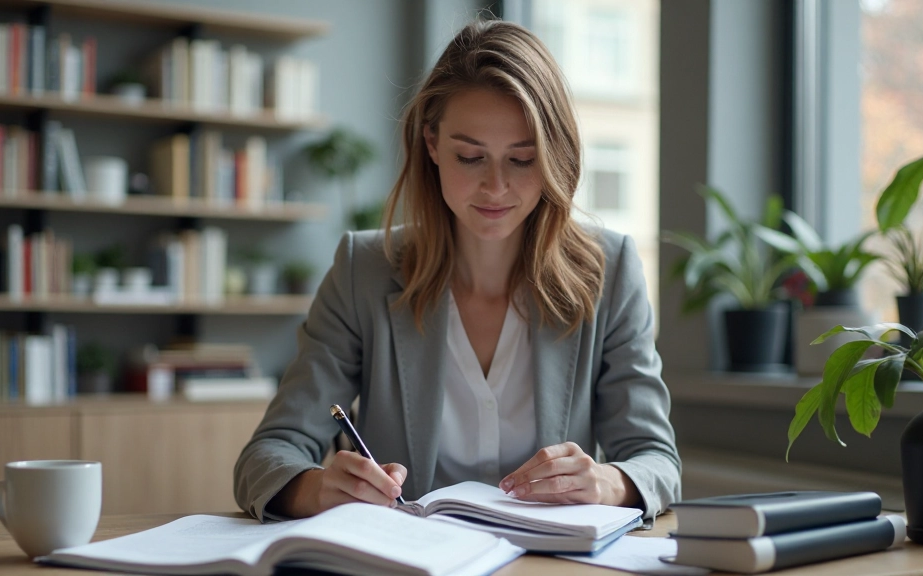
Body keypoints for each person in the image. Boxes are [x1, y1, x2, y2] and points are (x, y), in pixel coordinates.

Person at [233, 19, 680, 523]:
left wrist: (606, 480)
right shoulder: (365, 270)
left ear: (554, 156)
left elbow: (657, 461)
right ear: (431, 144)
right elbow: (267, 454)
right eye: (470, 157)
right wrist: (314, 489)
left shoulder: (611, 270)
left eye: (522, 159)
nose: (495, 187)